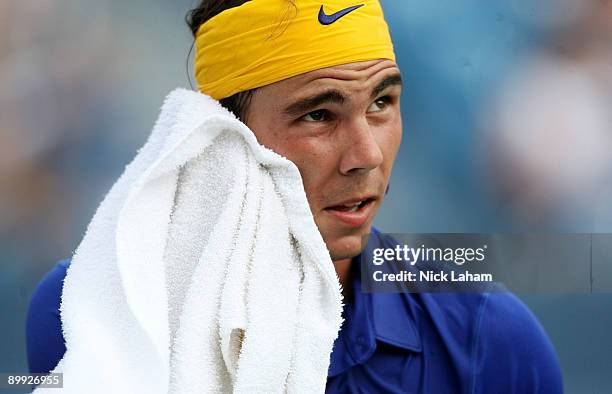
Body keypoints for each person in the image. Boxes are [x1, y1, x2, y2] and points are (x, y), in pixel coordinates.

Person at [27, 1, 563, 392]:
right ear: (221, 137)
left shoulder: (489, 334)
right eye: (318, 114)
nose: (367, 155)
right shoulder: (87, 308)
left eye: (382, 102)